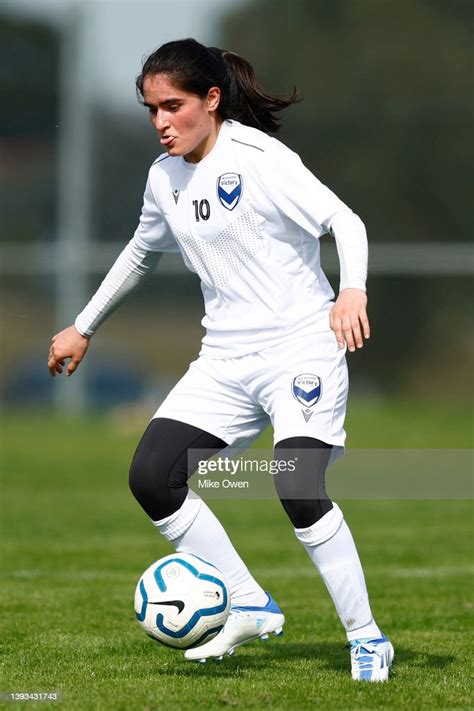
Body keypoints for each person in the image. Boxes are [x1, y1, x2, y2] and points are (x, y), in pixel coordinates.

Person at [48, 38, 393, 681]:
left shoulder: (260, 158)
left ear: (211, 100)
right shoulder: (163, 176)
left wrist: (351, 290)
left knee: (295, 485)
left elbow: (345, 221)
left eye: (172, 107)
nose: (160, 123)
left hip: (299, 349)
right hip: (225, 360)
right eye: (151, 109)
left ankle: (367, 637)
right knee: (152, 476)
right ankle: (249, 603)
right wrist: (82, 326)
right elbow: (138, 254)